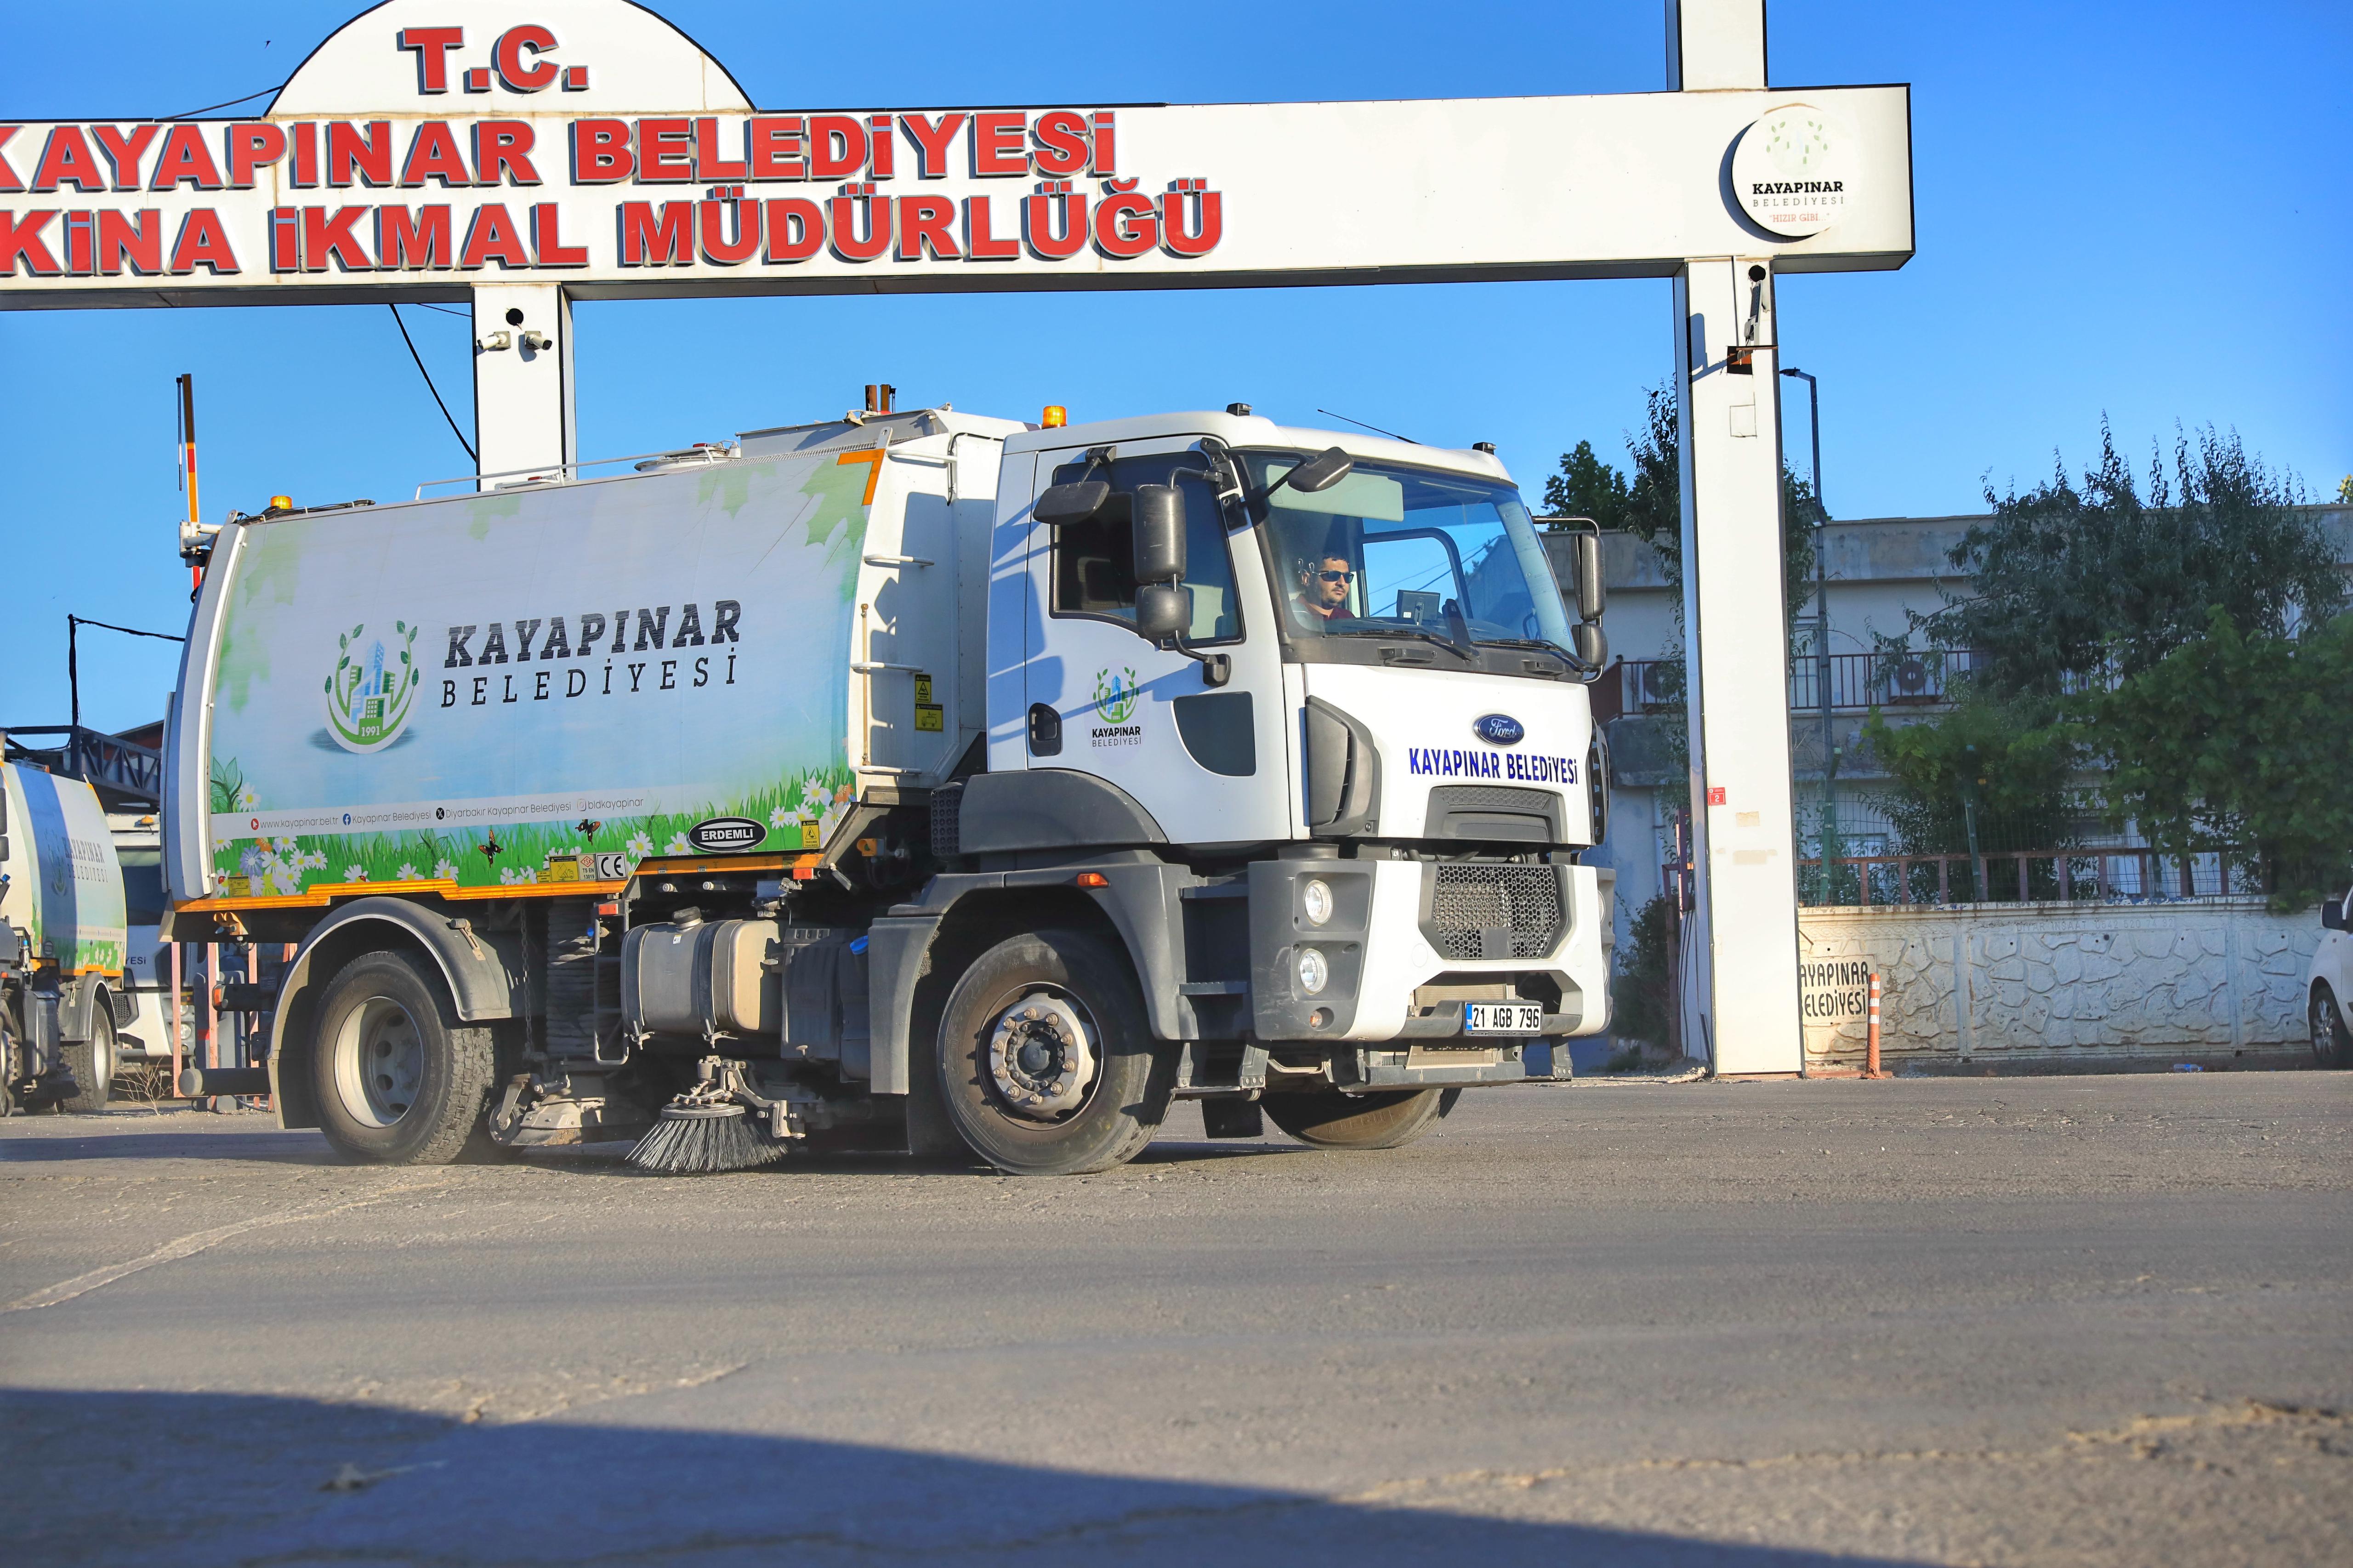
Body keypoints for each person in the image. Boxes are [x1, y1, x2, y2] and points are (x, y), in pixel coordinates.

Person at [1289, 550, 1356, 629]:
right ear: (1307, 579)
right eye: (1333, 575)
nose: (1342, 583)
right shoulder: (1288, 616)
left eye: (1347, 577)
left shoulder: (1348, 618)